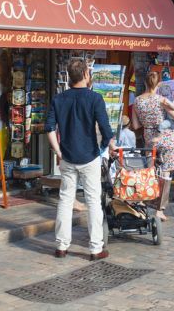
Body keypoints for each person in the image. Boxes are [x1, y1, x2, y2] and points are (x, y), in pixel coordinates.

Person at [45, 59, 115, 261]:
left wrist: (58, 152)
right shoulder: (95, 98)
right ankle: (95, 248)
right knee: (93, 201)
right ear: (85, 74)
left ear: (69, 76)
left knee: (65, 200)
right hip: (89, 156)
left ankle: (61, 246)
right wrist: (104, 147)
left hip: (67, 156)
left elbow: (49, 128)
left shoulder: (59, 99)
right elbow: (106, 130)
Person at [131, 71, 174, 221]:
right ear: (158, 83)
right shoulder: (161, 99)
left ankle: (144, 202)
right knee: (166, 174)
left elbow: (135, 125)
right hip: (165, 137)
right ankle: (160, 210)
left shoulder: (137, 101)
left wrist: (147, 122)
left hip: (149, 137)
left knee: (150, 171)